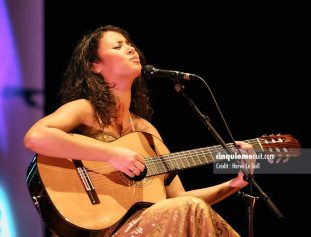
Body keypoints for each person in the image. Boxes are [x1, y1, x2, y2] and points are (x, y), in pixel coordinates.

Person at [24, 25, 255, 237]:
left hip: (146, 228)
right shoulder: (85, 111)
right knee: (192, 208)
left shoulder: (146, 132)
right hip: (99, 230)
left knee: (193, 208)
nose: (130, 48)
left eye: (129, 43)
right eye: (118, 46)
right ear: (96, 66)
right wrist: (111, 155)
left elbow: (178, 200)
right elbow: (36, 137)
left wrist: (233, 185)